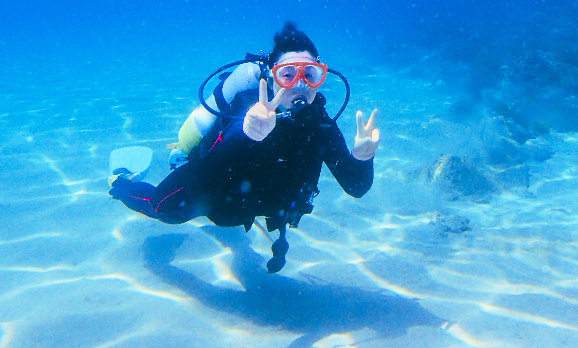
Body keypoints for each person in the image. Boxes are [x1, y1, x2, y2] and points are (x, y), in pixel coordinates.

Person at [110, 22, 380, 272]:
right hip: (220, 203)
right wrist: (246, 135)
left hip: (271, 207)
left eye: (310, 74)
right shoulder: (245, 108)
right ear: (271, 79)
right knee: (163, 208)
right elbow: (201, 175)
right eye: (287, 74)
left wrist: (362, 159)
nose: (300, 84)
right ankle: (121, 179)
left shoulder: (320, 125)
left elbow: (356, 187)